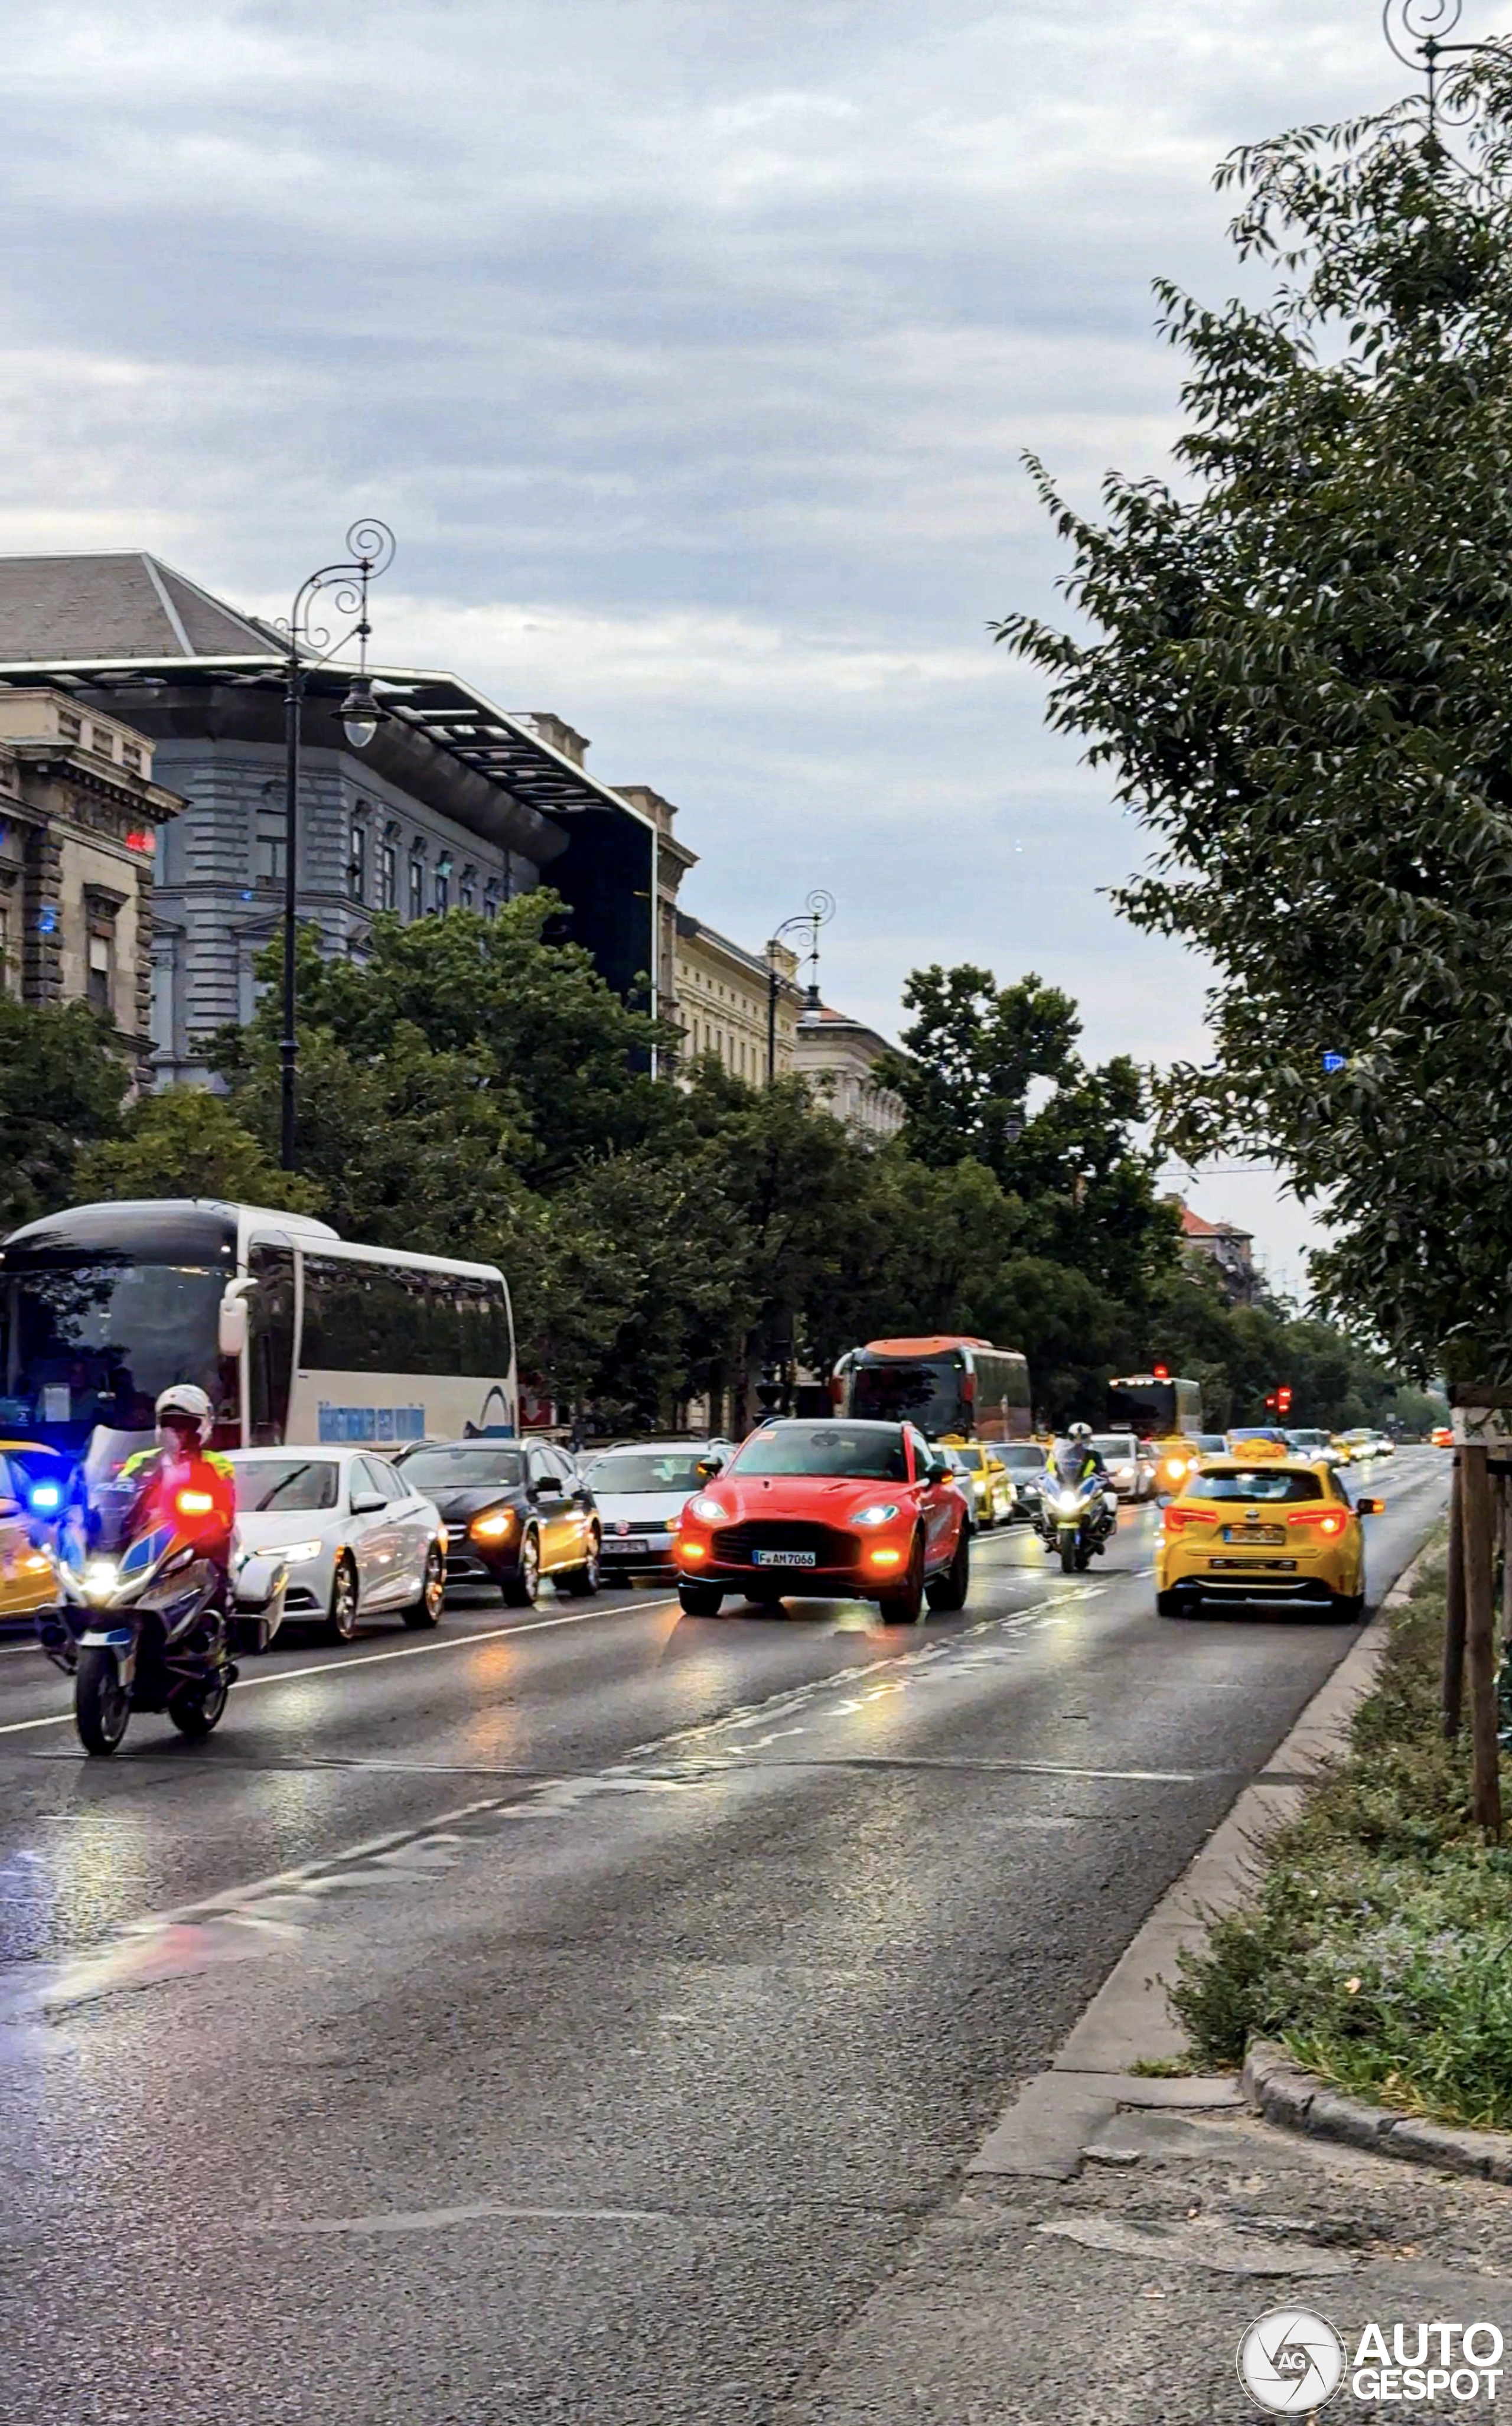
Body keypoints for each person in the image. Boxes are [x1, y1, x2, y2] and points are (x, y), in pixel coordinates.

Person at [119, 1384, 237, 1580]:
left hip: (192, 1537)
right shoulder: (140, 1460)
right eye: (168, 1424)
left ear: (201, 1428)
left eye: (184, 1425)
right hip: (143, 1535)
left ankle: (221, 1602)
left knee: (213, 1568)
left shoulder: (216, 1463)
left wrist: (209, 1513)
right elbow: (119, 1490)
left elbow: (225, 1510)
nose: (174, 1431)